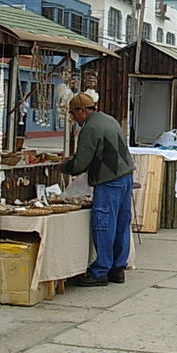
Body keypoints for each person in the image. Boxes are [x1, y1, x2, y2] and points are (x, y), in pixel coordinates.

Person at [61, 92, 135, 287]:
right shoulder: (108, 120)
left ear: (82, 111)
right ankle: (117, 268)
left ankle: (100, 271)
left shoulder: (91, 128)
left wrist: (64, 166)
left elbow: (81, 163)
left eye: (73, 113)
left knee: (104, 224)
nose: (73, 118)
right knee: (121, 223)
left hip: (109, 180)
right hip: (125, 177)